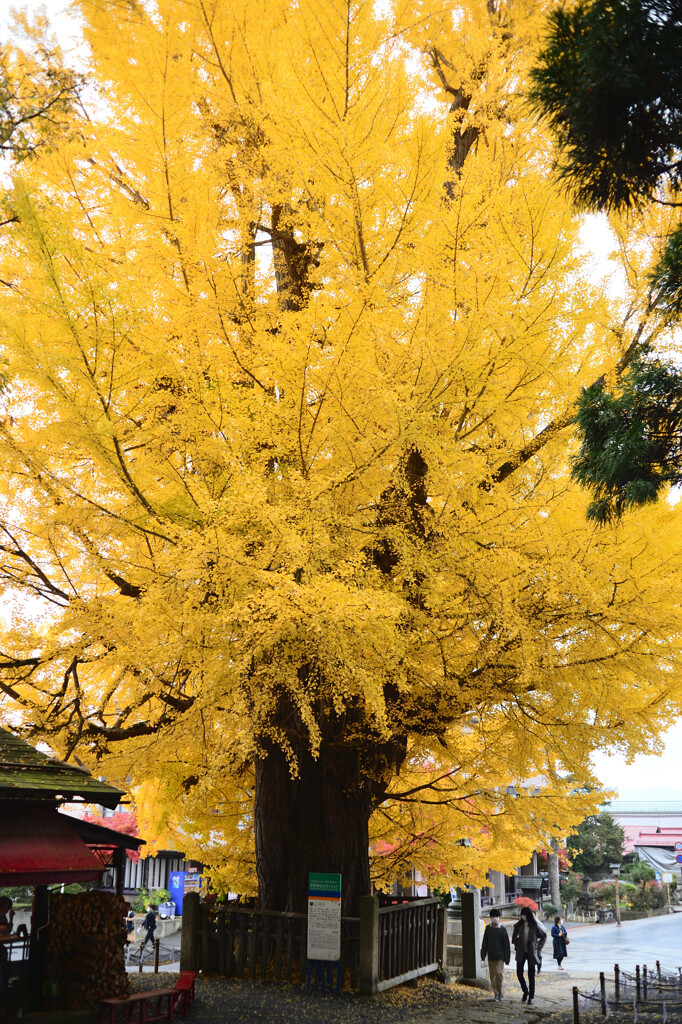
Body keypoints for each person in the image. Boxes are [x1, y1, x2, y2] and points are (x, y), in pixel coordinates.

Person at [512, 905, 546, 1006]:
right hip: (521, 952)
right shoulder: (518, 925)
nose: (523, 916)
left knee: (531, 976)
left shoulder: (534, 926)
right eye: (521, 914)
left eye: (524, 914)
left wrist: (539, 946)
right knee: (519, 973)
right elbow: (513, 938)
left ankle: (531, 997)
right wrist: (516, 942)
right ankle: (525, 991)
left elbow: (544, 936)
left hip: (531, 953)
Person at [480, 907, 511, 1001]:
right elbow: (485, 942)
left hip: (500, 956)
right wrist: (483, 954)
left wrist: (507, 958)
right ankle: (496, 993)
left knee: (499, 973)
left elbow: (506, 945)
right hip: (491, 956)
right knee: (492, 976)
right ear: (490, 917)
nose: (495, 918)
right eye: (493, 916)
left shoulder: (502, 929)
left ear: (499, 917)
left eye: (496, 916)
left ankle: (500, 991)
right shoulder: (488, 929)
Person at [0, 897, 14, 992]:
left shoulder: (3, 916)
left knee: (4, 954)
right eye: (5, 909)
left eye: (7, 909)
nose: (6, 911)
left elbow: (7, 929)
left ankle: (4, 983)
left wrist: (11, 918)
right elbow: (4, 928)